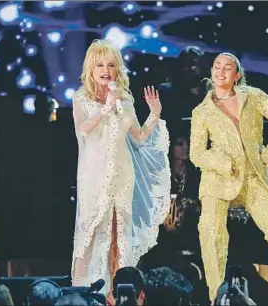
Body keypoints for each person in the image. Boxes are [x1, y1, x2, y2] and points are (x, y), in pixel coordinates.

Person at [189, 52, 268, 302]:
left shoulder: (253, 96)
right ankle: (217, 296)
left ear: (237, 75)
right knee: (210, 232)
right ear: (211, 72)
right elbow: (196, 153)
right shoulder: (202, 112)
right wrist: (221, 162)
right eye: (217, 66)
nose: (221, 71)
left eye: (227, 67)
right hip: (217, 179)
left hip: (254, 177)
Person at [71, 39, 171, 301]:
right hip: (95, 176)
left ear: (118, 69)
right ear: (91, 69)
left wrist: (155, 114)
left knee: (118, 236)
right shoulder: (81, 98)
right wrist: (106, 107)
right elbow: (83, 129)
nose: (106, 69)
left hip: (123, 176)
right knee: (93, 233)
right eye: (100, 64)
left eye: (111, 64)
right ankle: (89, 295)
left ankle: (119, 296)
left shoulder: (125, 99)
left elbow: (138, 137)